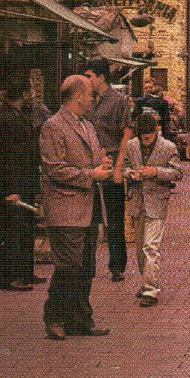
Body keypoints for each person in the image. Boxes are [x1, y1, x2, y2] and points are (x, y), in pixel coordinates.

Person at [39, 75, 113, 341]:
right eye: (91, 95)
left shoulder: (87, 126)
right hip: (66, 207)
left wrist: (102, 163)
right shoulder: (54, 126)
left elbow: (91, 159)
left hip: (90, 205)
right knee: (69, 266)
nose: (93, 99)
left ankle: (81, 318)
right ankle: (55, 316)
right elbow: (54, 168)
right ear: (78, 95)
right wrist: (90, 174)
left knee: (86, 267)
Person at [0, 70, 43, 291]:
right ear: (24, 93)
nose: (34, 94)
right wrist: (8, 190)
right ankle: (8, 276)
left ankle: (24, 272)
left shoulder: (18, 115)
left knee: (25, 228)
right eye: (31, 90)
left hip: (23, 181)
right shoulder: (6, 118)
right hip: (12, 183)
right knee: (12, 230)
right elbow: (4, 159)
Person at [123, 112, 182, 306]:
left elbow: (178, 172)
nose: (145, 141)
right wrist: (130, 173)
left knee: (151, 247)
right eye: (142, 138)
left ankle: (151, 289)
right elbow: (124, 166)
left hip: (157, 201)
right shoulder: (131, 146)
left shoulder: (168, 147)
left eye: (148, 137)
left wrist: (156, 172)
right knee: (140, 249)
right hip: (138, 201)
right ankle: (146, 281)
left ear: (156, 132)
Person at [83, 59, 133, 282]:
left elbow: (126, 134)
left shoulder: (118, 101)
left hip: (111, 161)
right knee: (90, 216)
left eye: (90, 76)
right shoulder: (86, 101)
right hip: (90, 163)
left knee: (114, 216)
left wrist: (119, 166)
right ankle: (88, 265)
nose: (87, 80)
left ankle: (117, 265)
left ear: (101, 77)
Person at [134, 76, 172, 141]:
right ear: (143, 89)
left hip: (158, 132)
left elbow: (165, 120)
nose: (148, 89)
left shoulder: (162, 102)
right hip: (143, 133)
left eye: (150, 87)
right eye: (146, 88)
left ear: (154, 88)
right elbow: (135, 118)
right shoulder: (139, 102)